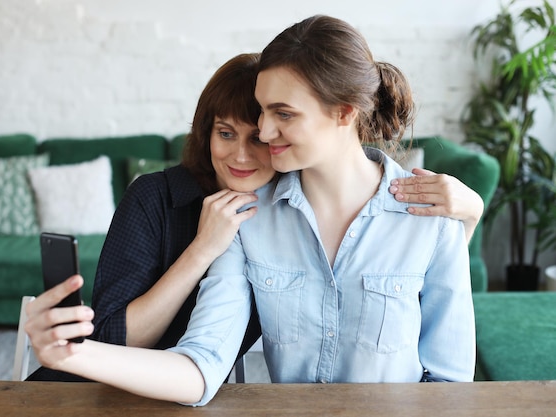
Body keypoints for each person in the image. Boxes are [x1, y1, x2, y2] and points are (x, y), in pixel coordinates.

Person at [25, 16, 476, 405]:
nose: (262, 131)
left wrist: (470, 212)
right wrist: (75, 352)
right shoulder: (248, 219)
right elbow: (202, 365)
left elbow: (450, 385)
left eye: (282, 113)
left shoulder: (434, 215)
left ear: (343, 113)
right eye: (261, 112)